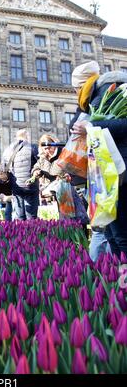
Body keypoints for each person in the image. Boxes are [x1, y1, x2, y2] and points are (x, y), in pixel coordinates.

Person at [71, 67, 127, 258]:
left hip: (120, 172)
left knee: (120, 235)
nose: (76, 94)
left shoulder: (114, 90)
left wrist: (93, 126)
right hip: (106, 172)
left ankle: (123, 283)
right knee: (111, 234)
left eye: (76, 88)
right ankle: (120, 282)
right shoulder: (95, 96)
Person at [2, 129, 39, 221]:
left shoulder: (8, 150)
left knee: (19, 216)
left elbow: (3, 168)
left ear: (17, 137)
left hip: (16, 187)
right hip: (30, 186)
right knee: (31, 217)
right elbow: (40, 163)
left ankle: (20, 234)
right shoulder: (33, 147)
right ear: (27, 136)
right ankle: (31, 234)